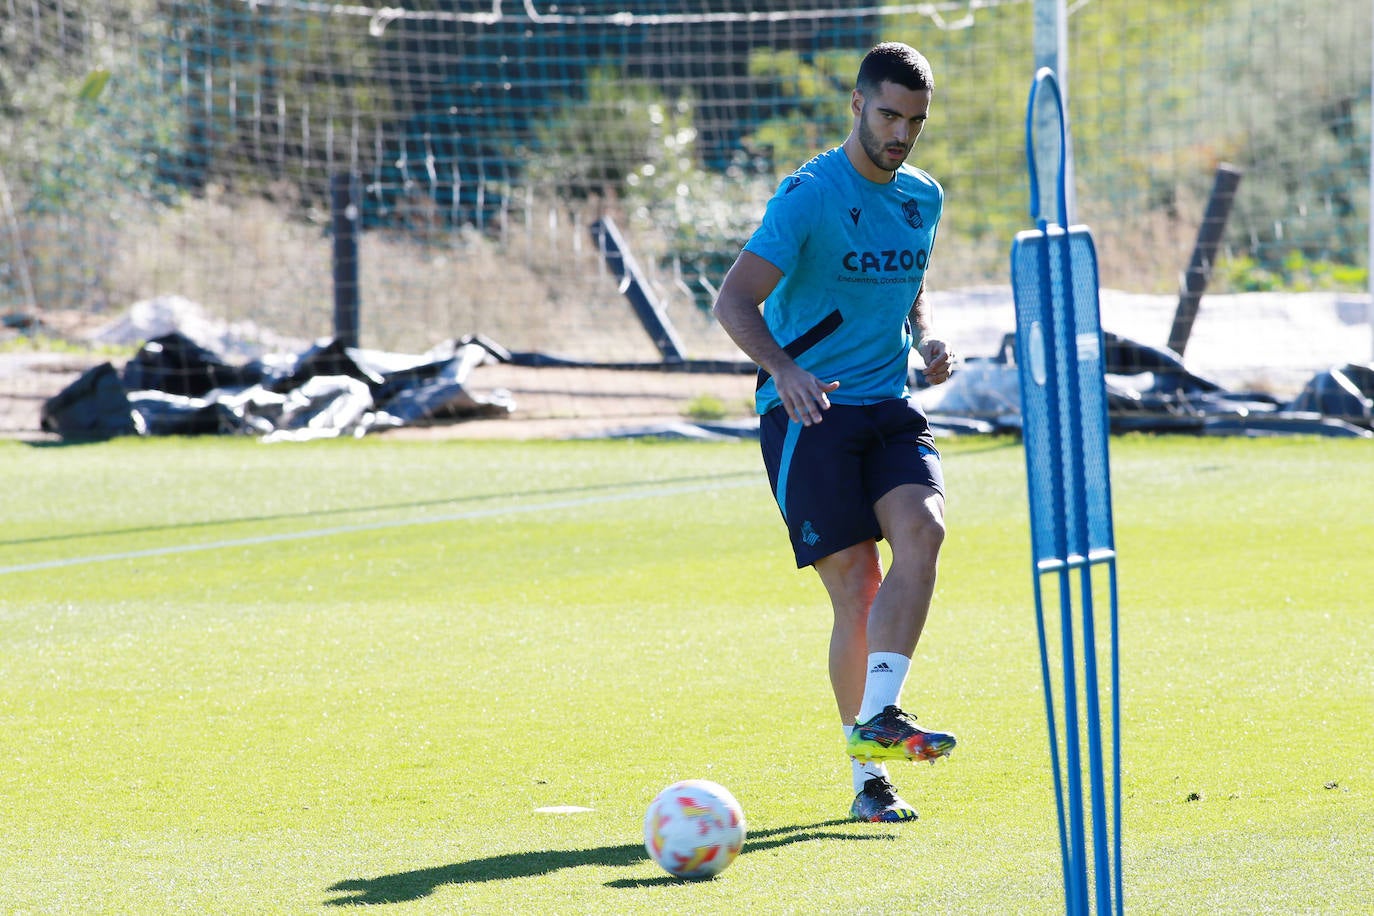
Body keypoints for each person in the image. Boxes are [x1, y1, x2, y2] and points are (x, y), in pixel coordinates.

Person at [712, 41, 958, 823]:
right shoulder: (809, 195)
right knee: (858, 587)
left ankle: (880, 717)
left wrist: (925, 337)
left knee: (924, 532)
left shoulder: (923, 197)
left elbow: (909, 280)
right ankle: (870, 779)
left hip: (888, 405)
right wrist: (783, 369)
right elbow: (734, 301)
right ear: (857, 106)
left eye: (914, 121)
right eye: (888, 116)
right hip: (808, 413)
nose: (901, 133)